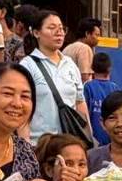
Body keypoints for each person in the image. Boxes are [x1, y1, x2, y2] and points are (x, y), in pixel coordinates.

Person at [21, 9, 90, 143]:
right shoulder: (27, 65)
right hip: (39, 144)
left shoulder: (70, 64)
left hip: (69, 144)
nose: (59, 32)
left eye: (61, 28)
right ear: (36, 33)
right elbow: (22, 109)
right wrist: (25, 144)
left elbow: (80, 102)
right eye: (51, 28)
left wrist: (88, 136)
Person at [83, 50, 119, 144]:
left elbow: (85, 113)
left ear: (92, 68)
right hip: (111, 137)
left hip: (93, 137)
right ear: (109, 69)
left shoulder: (88, 86)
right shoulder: (114, 87)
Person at [63, 17, 102, 82]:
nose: (98, 39)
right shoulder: (85, 48)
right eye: (97, 35)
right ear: (87, 34)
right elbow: (85, 78)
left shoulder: (67, 48)